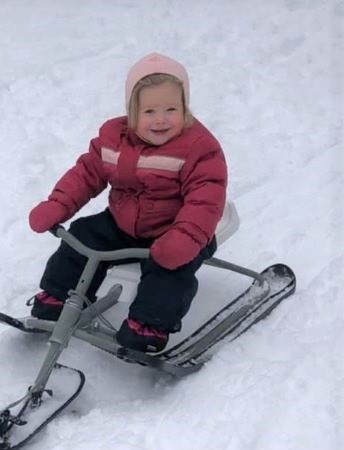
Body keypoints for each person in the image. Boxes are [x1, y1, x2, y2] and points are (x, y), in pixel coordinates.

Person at [28, 52, 227, 353]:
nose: (160, 119)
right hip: (123, 222)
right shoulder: (113, 136)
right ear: (132, 111)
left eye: (171, 109)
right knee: (82, 236)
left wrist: (184, 239)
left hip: (176, 230)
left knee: (169, 270)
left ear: (185, 108)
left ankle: (149, 326)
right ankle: (58, 297)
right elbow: (87, 173)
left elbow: (206, 197)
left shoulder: (199, 147)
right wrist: (58, 204)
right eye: (149, 111)